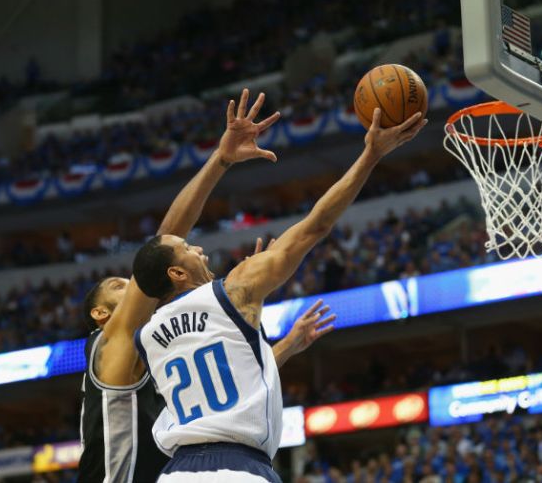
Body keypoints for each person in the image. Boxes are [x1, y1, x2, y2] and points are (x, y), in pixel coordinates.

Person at [133, 107, 427, 482]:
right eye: (188, 249)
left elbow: (224, 372)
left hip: (175, 473)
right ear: (176, 273)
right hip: (240, 469)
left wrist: (282, 344)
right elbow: (314, 227)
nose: (200, 250)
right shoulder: (235, 288)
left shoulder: (145, 333)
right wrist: (370, 155)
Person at [77, 89, 283, 482]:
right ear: (100, 315)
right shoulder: (111, 343)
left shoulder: (157, 348)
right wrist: (220, 160)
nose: (134, 287)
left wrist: (282, 344)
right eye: (121, 287)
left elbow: (235, 388)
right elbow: (162, 244)